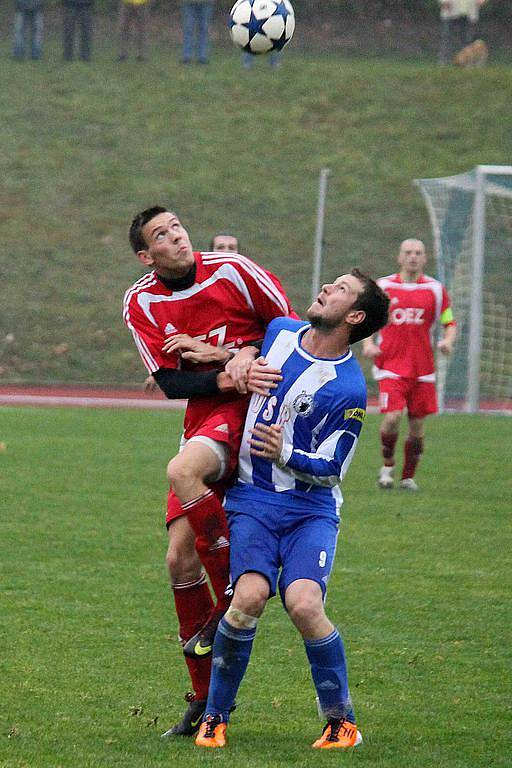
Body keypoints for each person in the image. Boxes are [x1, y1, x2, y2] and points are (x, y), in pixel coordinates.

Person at [194, 269, 390, 749]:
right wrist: (234, 358)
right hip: (252, 501)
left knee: (304, 603)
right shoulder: (280, 332)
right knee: (248, 601)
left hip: (310, 511)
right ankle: (215, 718)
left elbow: (333, 467)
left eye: (340, 290)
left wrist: (285, 453)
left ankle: (341, 722)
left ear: (355, 316)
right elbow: (242, 350)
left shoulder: (348, 388)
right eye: (332, 283)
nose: (325, 288)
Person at [123, 206, 295, 736]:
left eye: (175, 227)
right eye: (161, 236)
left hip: (255, 411)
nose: (176, 237)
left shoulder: (236, 271)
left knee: (182, 470)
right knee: (177, 560)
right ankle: (204, 700)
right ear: (145, 255)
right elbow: (172, 384)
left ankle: (227, 606)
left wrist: (229, 352)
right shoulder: (141, 301)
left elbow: (290, 336)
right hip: (208, 411)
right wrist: (227, 370)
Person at [362, 239, 456, 491]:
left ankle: (407, 477)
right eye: (408, 252)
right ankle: (388, 465)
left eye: (418, 253)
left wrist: (447, 341)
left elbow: (449, 321)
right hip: (390, 365)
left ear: (425, 258)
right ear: (399, 257)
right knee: (392, 417)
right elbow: (369, 318)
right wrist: (368, 343)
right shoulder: (384, 287)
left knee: (417, 427)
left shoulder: (436, 290)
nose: (413, 257)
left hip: (423, 369)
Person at [143, 231, 241, 391]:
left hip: (251, 373)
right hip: (215, 383)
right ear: (209, 253)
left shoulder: (247, 286)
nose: (226, 252)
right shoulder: (197, 291)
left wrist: (245, 354)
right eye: (221, 247)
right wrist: (164, 369)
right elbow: (184, 337)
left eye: (231, 248)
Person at [438, 0, 486, 65]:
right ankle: (444, 61)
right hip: (450, 8)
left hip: (469, 9)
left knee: (468, 39)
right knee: (447, 37)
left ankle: (466, 62)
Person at [181, 0, 214, 65]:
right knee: (188, 28)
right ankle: (187, 56)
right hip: (189, 3)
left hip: (206, 3)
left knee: (204, 29)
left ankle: (202, 56)